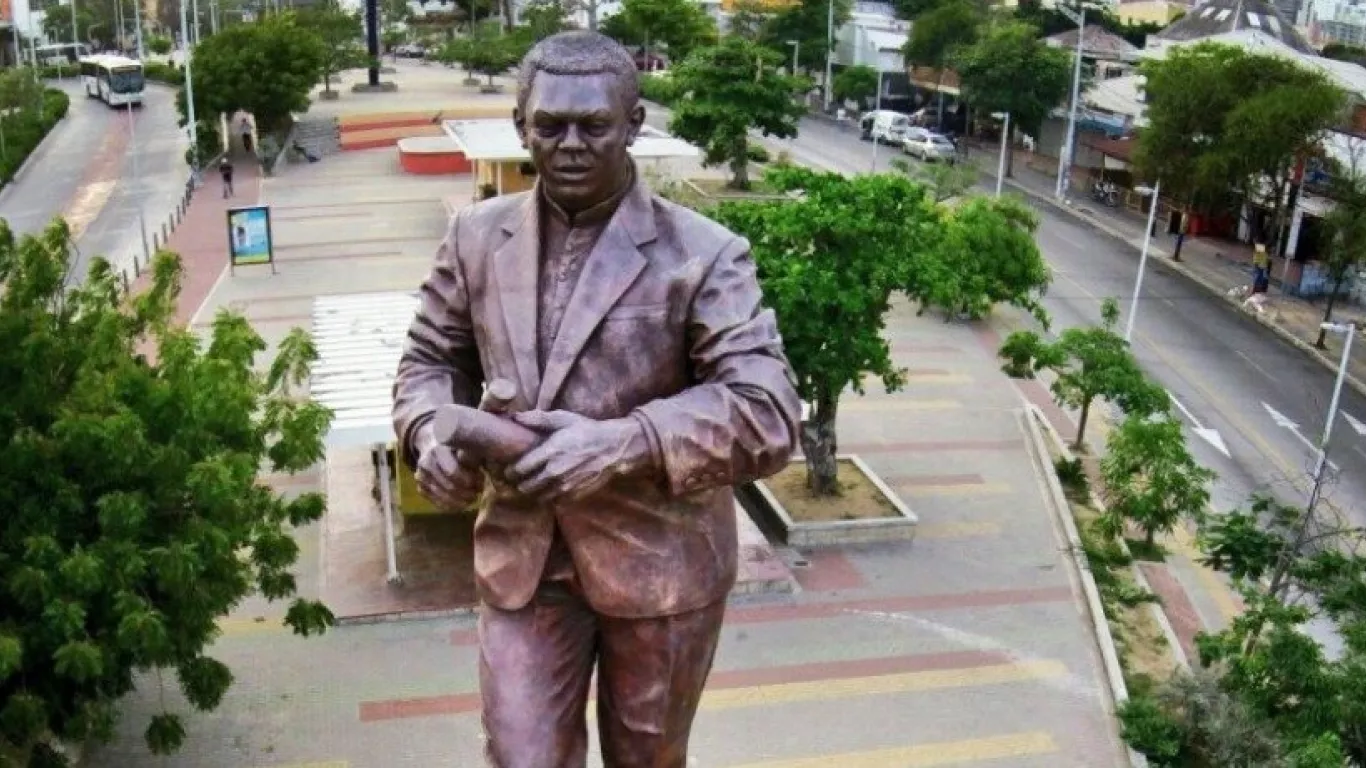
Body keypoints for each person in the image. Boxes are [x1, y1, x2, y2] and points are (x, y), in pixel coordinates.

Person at [391, 30, 800, 768]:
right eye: (550, 126)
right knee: (521, 756)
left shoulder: (704, 254)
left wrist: (624, 442)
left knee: (647, 760)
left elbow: (767, 409)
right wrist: (428, 433)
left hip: (661, 561)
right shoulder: (475, 237)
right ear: (522, 126)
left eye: (594, 126)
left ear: (634, 125)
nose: (570, 144)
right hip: (525, 555)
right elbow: (429, 360)